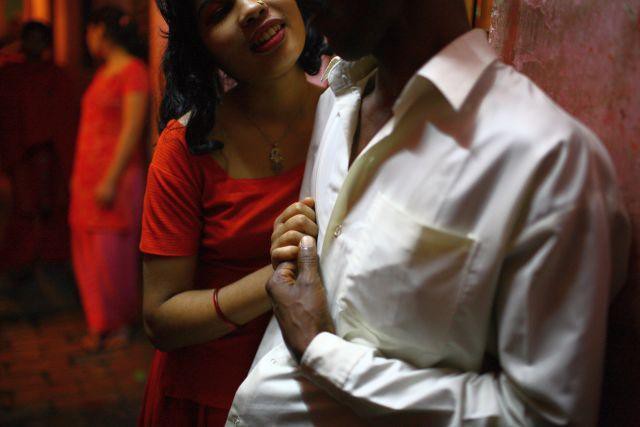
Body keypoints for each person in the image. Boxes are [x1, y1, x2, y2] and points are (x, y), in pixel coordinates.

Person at [227, 0, 631, 425]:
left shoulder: (546, 162)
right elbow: (308, 295)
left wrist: (319, 350)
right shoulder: (338, 102)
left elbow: (540, 416)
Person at [138, 0, 325, 425]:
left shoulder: (351, 114)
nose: (251, 8)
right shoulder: (185, 149)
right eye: (219, 11)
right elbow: (160, 318)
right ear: (202, 48)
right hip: (211, 400)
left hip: (314, 396)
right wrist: (274, 278)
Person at [69, 7, 149, 350]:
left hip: (115, 177)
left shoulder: (133, 71)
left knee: (111, 254)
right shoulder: (104, 72)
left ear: (101, 30)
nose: (88, 39)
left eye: (89, 31)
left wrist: (111, 179)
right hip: (88, 176)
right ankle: (99, 323)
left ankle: (118, 324)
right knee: (87, 251)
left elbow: (132, 128)